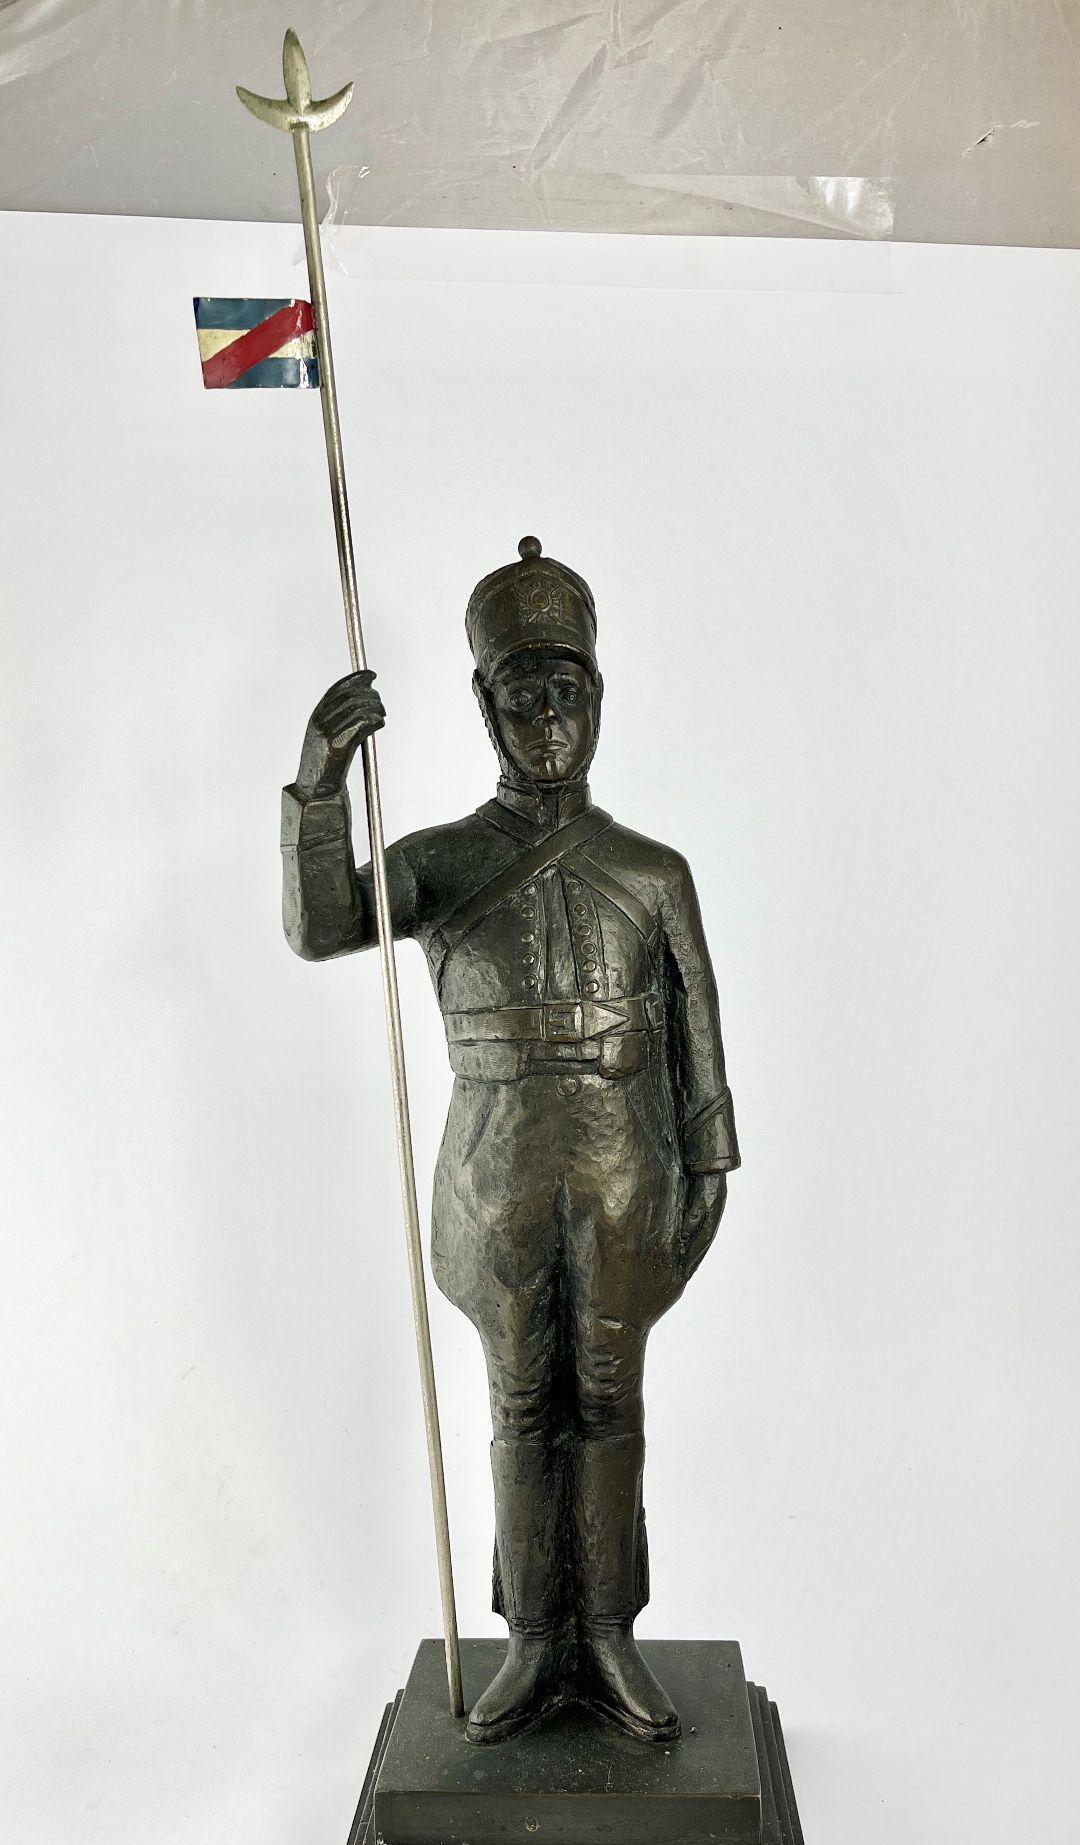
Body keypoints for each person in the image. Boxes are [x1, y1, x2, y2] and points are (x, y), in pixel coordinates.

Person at [281, 536, 739, 1744]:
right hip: (494, 1186)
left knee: (609, 1399)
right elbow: (324, 925)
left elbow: (698, 1037)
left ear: (600, 699)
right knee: (521, 1402)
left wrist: (708, 1172)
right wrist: (319, 790)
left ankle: (608, 1636)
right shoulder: (443, 862)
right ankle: (534, 1640)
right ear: (485, 703)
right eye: (524, 695)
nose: (549, 721)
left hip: (625, 1182)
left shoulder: (651, 872)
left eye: (567, 693)